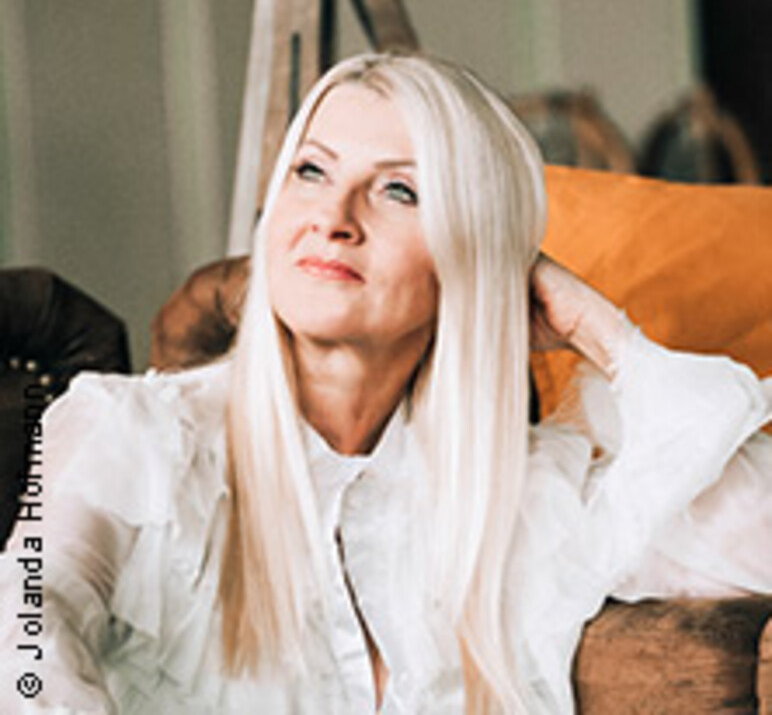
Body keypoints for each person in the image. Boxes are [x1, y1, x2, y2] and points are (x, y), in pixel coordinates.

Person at [1, 53, 770, 714]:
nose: (332, 217)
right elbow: (25, 634)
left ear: (470, 252)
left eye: (399, 190)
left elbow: (756, 546)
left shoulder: (519, 496)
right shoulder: (128, 431)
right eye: (311, 171)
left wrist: (602, 334)